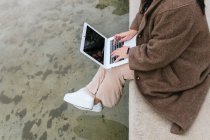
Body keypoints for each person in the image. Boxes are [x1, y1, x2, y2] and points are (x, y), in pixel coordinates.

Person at [64, 0, 210, 134]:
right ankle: (90, 92)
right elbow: (145, 9)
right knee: (112, 53)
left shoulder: (178, 9)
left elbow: (158, 55)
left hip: (183, 65)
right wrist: (134, 30)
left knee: (117, 68)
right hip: (172, 51)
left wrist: (129, 53)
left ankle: (98, 101)